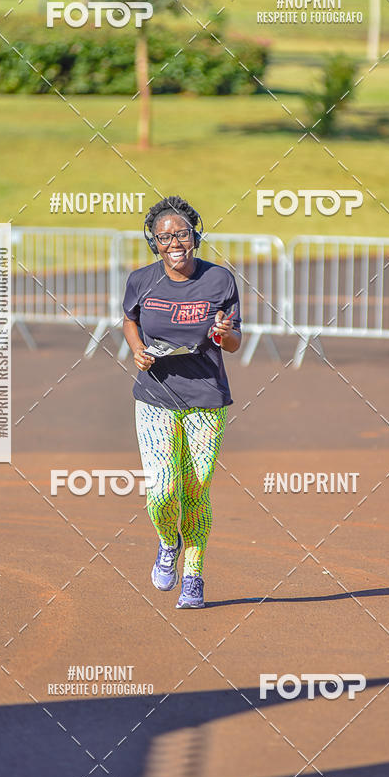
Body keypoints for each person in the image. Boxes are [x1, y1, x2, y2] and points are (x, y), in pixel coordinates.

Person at [122, 196, 242, 609]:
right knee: (162, 490)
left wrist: (222, 332)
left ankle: (194, 576)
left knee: (197, 488)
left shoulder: (219, 281)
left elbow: (234, 342)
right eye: (165, 236)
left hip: (206, 398)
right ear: (154, 242)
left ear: (196, 235)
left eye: (182, 234)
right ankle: (166, 541)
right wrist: (136, 348)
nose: (175, 242)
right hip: (155, 395)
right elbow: (130, 319)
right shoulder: (141, 280)